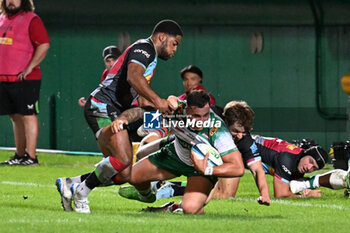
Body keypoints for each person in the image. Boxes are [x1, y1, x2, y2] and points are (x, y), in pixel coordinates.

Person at [55, 19, 183, 213]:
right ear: (162, 37)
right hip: (103, 105)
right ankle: (81, 192)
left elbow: (140, 101)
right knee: (123, 158)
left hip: (110, 108)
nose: (175, 50)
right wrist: (159, 102)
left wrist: (163, 105)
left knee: (124, 173)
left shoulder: (150, 58)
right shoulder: (145, 49)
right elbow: (134, 77)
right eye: (175, 44)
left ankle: (71, 183)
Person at [118, 91, 245, 214]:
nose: (202, 120)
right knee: (131, 176)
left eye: (205, 115)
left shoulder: (218, 130)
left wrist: (207, 170)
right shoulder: (175, 112)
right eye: (196, 116)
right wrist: (124, 119)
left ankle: (176, 205)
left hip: (201, 169)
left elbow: (238, 168)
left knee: (190, 208)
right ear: (187, 111)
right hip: (176, 156)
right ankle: (146, 196)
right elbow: (145, 114)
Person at [212, 101, 328, 199]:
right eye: (310, 162)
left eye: (314, 168)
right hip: (221, 152)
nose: (309, 167)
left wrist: (264, 195)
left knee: (225, 195)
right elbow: (281, 194)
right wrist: (303, 196)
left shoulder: (245, 141)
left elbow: (257, 170)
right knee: (224, 193)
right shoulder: (286, 159)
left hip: (237, 154)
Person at [0, 0, 50, 166]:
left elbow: (44, 44)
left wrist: (30, 67)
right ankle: (19, 155)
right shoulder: (2, 19)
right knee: (15, 116)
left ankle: (31, 156)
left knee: (28, 115)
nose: (11, 1)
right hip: (4, 78)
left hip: (26, 78)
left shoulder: (31, 19)